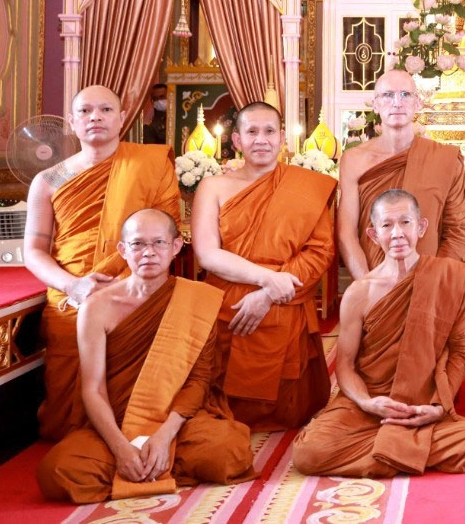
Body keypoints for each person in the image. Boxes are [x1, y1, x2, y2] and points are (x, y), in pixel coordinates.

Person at [37, 209, 254, 503]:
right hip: (116, 420)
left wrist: (164, 437)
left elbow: (198, 382)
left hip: (176, 420)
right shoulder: (96, 307)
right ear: (123, 250)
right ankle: (147, 464)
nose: (148, 253)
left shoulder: (197, 299)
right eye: (138, 244)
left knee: (229, 452)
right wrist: (120, 449)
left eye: (159, 243)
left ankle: (153, 461)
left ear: (176, 247)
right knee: (58, 471)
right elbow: (92, 389)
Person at [292, 190, 465, 477]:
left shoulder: (448, 278)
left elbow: (461, 351)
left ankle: (391, 450)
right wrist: (367, 402)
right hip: (368, 403)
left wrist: (438, 407)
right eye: (387, 225)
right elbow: (345, 365)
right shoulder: (359, 292)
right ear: (374, 235)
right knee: (308, 453)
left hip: (420, 405)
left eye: (405, 222)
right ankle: (408, 451)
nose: (397, 233)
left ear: (421, 227)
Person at [23, 85, 179, 440]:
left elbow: (166, 238)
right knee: (66, 416)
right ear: (72, 121)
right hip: (72, 296)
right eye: (86, 111)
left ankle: (137, 436)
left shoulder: (150, 165)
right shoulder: (48, 181)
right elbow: (33, 250)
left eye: (106, 110)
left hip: (138, 291)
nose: (96, 117)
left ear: (122, 118)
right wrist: (74, 286)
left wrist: (127, 285)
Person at [192, 101, 336, 430]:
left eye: (269, 131)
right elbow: (207, 254)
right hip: (231, 302)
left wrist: (268, 295)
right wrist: (268, 280)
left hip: (284, 298)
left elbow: (319, 252)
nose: (261, 139)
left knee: (288, 409)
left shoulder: (305, 186)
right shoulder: (213, 187)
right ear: (237, 140)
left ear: (282, 138)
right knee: (217, 401)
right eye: (252, 131)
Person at [337, 69, 465, 279]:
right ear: (375, 104)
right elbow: (347, 233)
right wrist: (368, 285)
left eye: (405, 95)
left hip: (430, 281)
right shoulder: (354, 160)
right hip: (374, 279)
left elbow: (457, 231)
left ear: (418, 103)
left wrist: (434, 283)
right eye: (387, 95)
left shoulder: (444, 159)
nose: (397, 103)